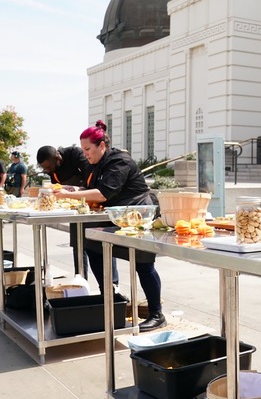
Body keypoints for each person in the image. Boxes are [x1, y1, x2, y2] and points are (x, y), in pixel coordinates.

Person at [54, 121, 166, 332]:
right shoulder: (94, 164)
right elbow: (90, 188)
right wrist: (73, 188)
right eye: (83, 150)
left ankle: (156, 313)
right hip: (115, 214)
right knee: (92, 243)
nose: (85, 154)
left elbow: (104, 193)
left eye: (88, 149)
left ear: (101, 146)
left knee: (142, 263)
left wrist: (70, 195)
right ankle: (111, 296)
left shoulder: (119, 161)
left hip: (137, 213)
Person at [36, 145, 119, 284]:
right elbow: (56, 187)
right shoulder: (52, 169)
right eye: (44, 168)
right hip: (74, 208)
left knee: (104, 245)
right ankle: (80, 282)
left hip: (93, 205)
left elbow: (91, 175)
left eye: (48, 167)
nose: (47, 170)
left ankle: (113, 284)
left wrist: (76, 189)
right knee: (78, 245)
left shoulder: (75, 154)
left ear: (57, 158)